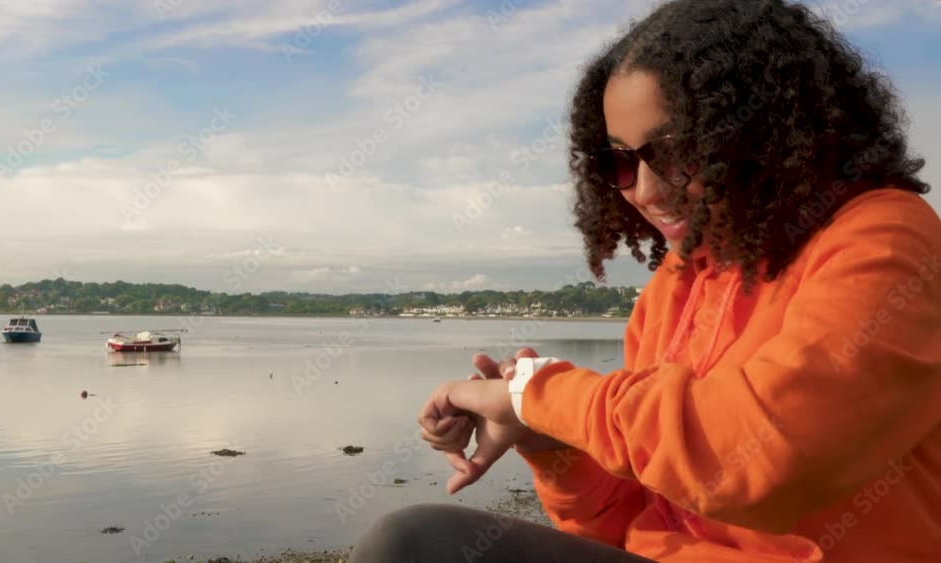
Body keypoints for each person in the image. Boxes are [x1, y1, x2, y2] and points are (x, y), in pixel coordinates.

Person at [347, 0, 941, 561]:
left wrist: (539, 393)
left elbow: (763, 458)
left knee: (413, 542)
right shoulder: (676, 285)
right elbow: (620, 525)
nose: (647, 191)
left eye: (678, 149)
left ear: (769, 130)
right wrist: (542, 438)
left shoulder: (886, 239)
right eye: (620, 162)